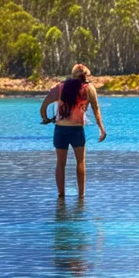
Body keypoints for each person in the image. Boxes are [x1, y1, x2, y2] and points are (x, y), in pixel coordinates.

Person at [40, 64, 107, 197]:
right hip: (77, 130)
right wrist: (101, 128)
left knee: (60, 164)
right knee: (80, 162)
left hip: (61, 130)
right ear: (86, 75)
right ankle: (81, 195)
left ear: (73, 75)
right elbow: (96, 109)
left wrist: (46, 118)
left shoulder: (60, 87)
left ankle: (61, 194)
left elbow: (44, 104)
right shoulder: (89, 88)